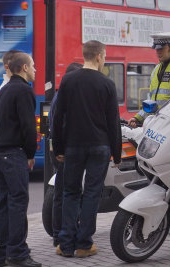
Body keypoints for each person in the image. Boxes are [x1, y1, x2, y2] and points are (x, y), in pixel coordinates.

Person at [52, 40, 122, 258]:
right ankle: (84, 244)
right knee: (92, 193)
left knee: (70, 192)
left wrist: (58, 148)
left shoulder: (68, 81)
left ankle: (65, 244)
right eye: (105, 56)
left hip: (73, 146)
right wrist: (117, 153)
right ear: (99, 56)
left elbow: (58, 117)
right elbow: (113, 122)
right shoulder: (107, 84)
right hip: (100, 146)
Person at [0, 52, 42, 267]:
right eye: (32, 65)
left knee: (3, 203)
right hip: (14, 154)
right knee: (18, 204)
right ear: (23, 68)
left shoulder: (3, 90)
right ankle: (18, 254)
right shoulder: (23, 90)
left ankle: (0, 253)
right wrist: (30, 154)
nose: (35, 69)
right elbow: (28, 127)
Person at [48, 62, 83, 247]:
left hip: (61, 149)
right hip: (64, 151)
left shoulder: (60, 95)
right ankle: (59, 235)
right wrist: (61, 151)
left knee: (62, 193)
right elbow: (57, 126)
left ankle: (59, 233)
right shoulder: (65, 97)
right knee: (64, 193)